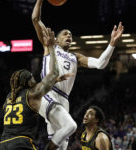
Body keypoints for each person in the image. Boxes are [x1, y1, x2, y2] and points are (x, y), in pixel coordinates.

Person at [32, 0, 124, 149]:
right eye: (65, 34)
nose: (69, 36)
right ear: (56, 39)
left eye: (71, 35)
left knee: (62, 145)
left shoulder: (76, 57)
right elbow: (35, 19)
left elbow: (100, 63)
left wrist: (112, 43)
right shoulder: (50, 45)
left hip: (64, 100)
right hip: (47, 93)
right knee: (70, 125)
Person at [0, 28, 69, 150]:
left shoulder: (10, 96)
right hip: (21, 144)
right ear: (28, 81)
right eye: (32, 78)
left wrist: (54, 82)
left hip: (3, 144)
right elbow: (54, 72)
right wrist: (51, 47)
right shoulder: (32, 94)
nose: (35, 80)